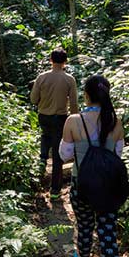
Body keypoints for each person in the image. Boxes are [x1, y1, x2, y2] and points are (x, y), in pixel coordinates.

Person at [58, 74, 125, 257]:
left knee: (85, 227)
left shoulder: (74, 121)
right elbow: (117, 155)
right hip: (108, 189)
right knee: (108, 238)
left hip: (82, 187)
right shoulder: (115, 122)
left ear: (85, 95)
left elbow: (65, 155)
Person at [30, 48, 80, 199]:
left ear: (51, 60)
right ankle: (55, 191)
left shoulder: (41, 77)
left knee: (45, 135)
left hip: (43, 116)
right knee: (58, 153)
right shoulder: (69, 79)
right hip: (60, 118)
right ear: (65, 62)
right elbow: (73, 104)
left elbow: (33, 99)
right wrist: (75, 123)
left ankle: (42, 161)